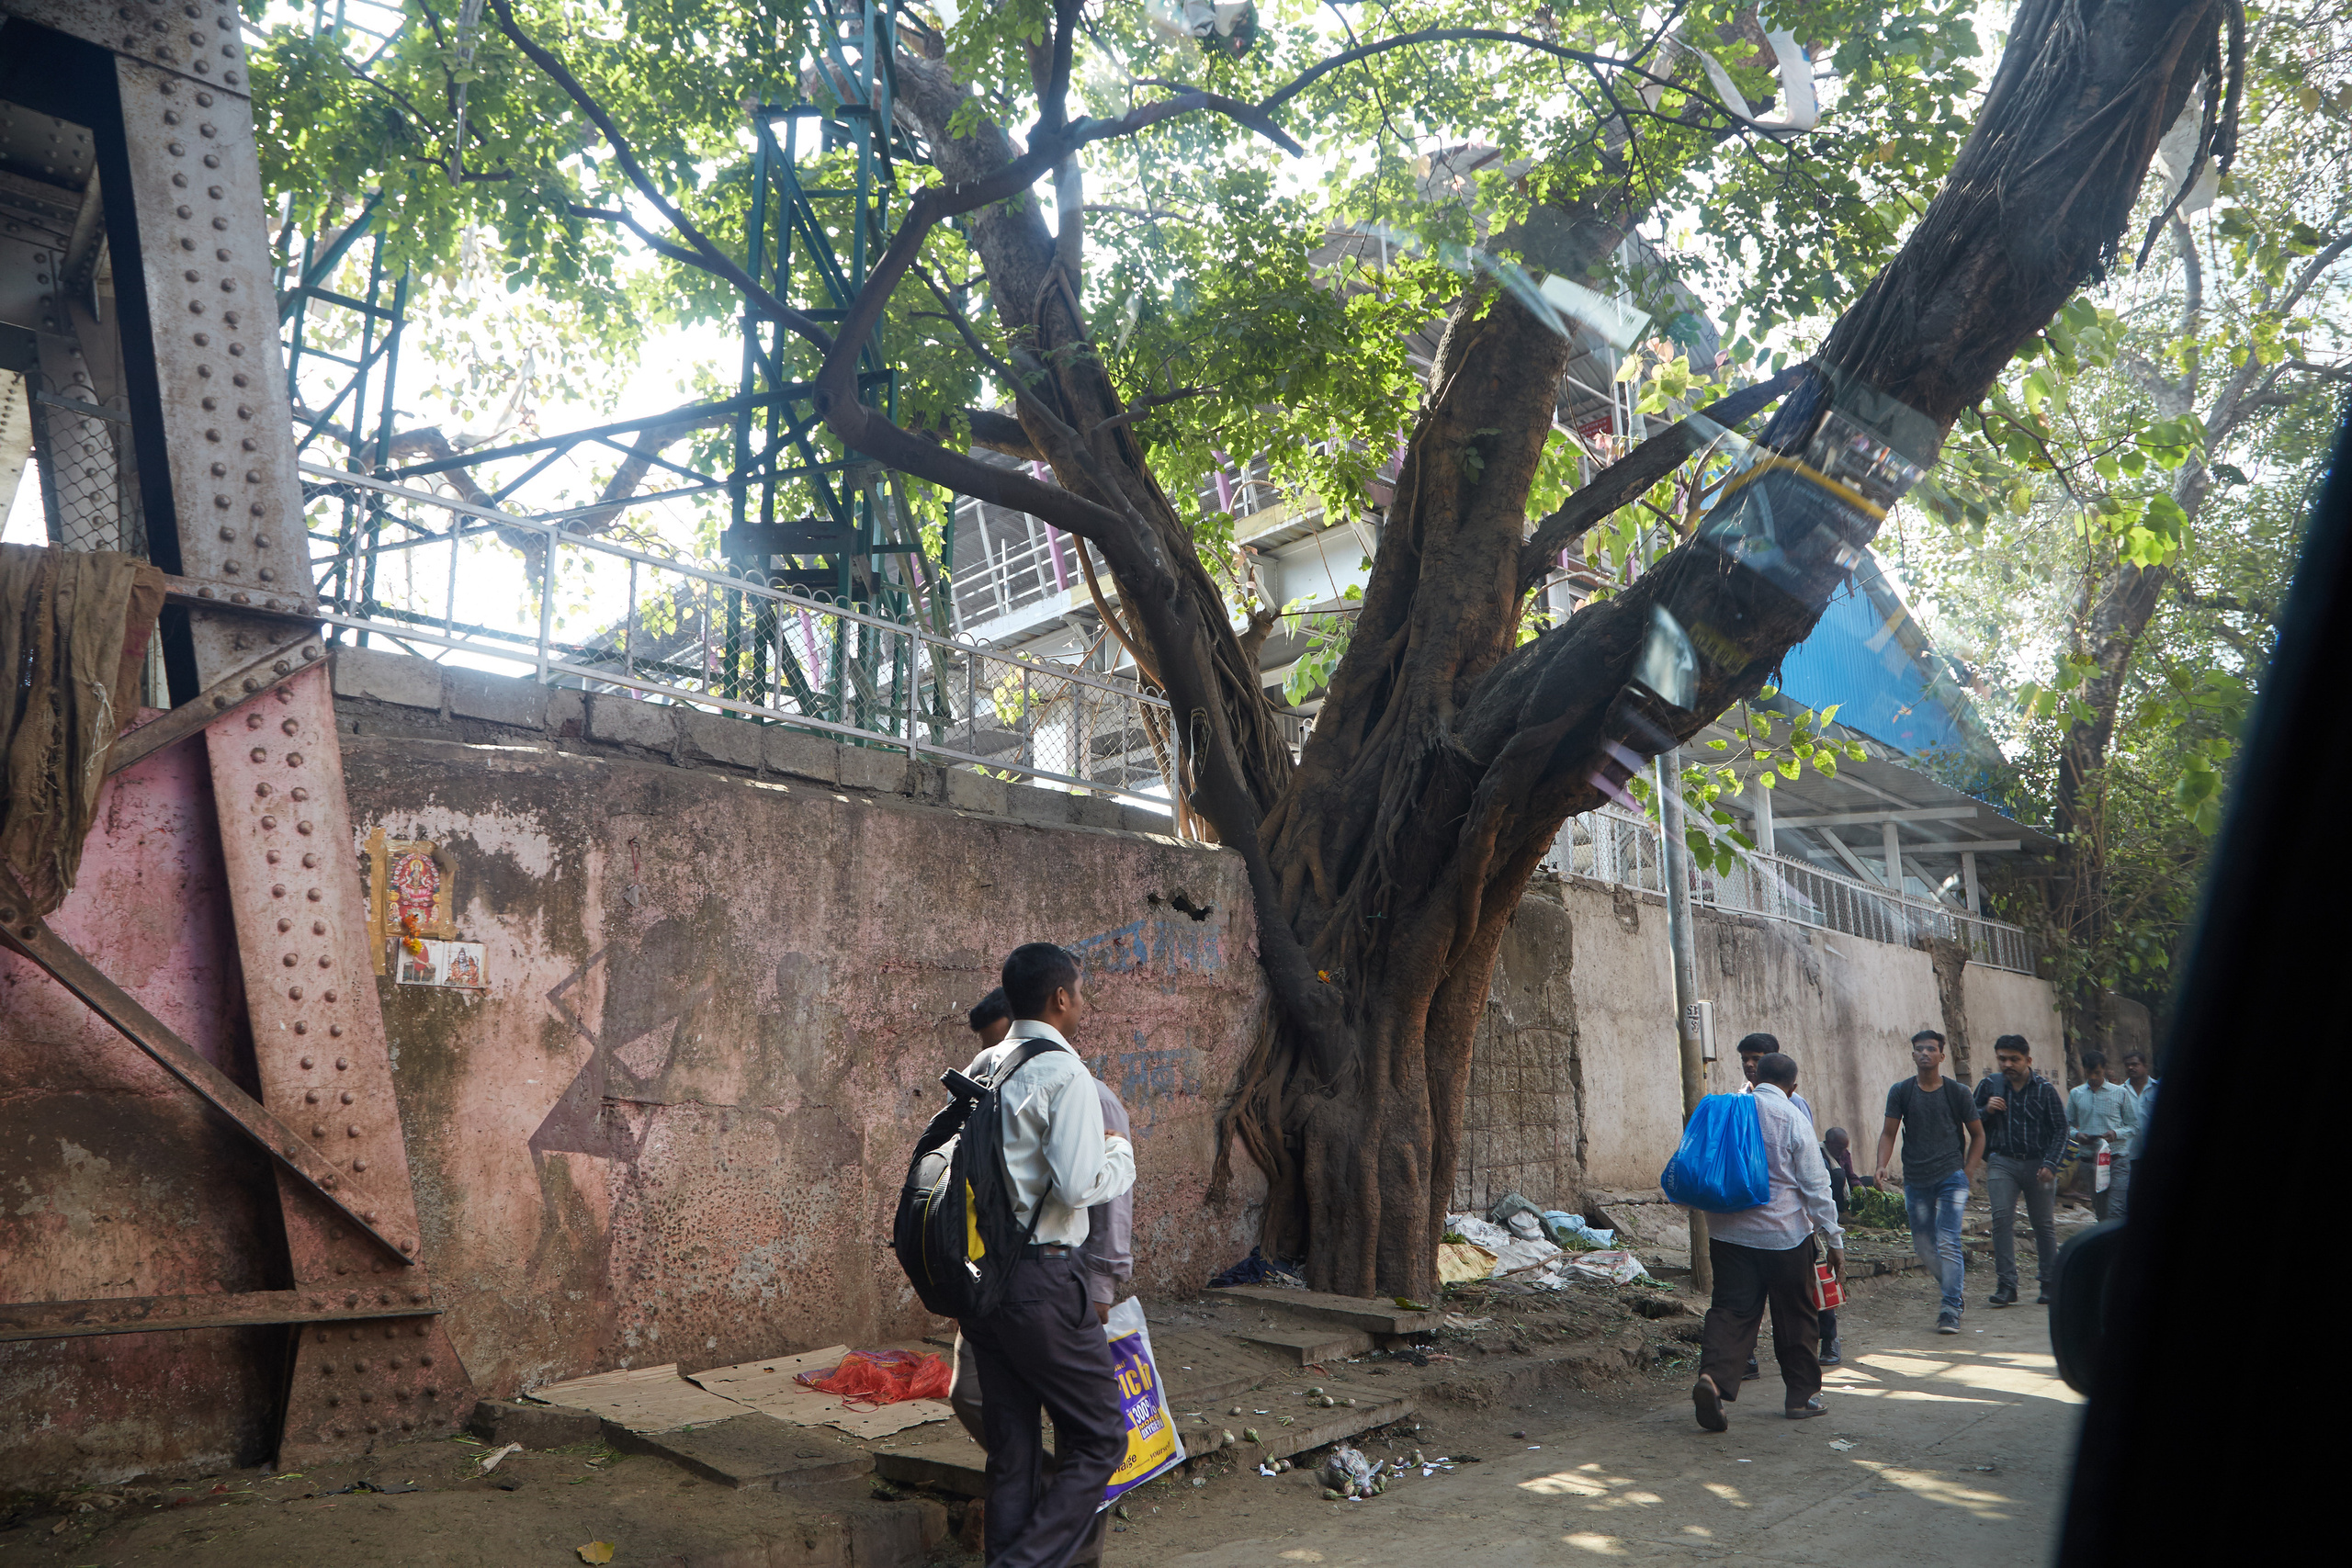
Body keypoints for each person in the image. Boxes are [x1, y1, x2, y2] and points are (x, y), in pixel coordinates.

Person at [952, 945, 1136, 1568]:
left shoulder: (983, 1064)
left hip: (983, 1285)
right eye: (1079, 992)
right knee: (1100, 1436)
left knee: (1014, 1456)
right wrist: (1120, 1157)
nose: (1081, 1003)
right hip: (1045, 1282)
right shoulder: (1065, 1073)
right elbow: (1077, 1185)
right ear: (1060, 998)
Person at [1691, 1053, 1845, 1432]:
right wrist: (1834, 1237)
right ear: (1793, 1086)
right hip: (1785, 1238)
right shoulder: (1792, 1116)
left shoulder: (1728, 1109)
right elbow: (1815, 1184)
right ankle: (1801, 1398)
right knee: (1795, 1315)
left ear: (1756, 1075)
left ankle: (1712, 1379)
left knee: (1730, 1311)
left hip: (1727, 1235)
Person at [1875, 1029, 1984, 1335]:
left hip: (1952, 1177)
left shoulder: (1957, 1093)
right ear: (1913, 1055)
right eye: (1919, 1049)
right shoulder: (1901, 1091)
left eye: (1931, 1049)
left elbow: (1978, 1135)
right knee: (1924, 1245)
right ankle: (1954, 1289)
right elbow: (1888, 1133)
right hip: (1916, 1179)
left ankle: (1950, 1307)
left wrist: (1968, 1172)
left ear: (1941, 1056)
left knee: (1948, 1239)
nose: (1924, 1053)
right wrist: (1881, 1165)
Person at [1973, 1034, 2066, 1307]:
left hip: (2040, 1163)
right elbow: (1969, 1118)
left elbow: (2061, 1128)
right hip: (2002, 1161)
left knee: (2044, 1224)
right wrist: (1986, 1110)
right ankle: (2006, 1285)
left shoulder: (2045, 1089)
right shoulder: (1990, 1085)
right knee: (2001, 1221)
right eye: (2002, 1058)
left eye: (2014, 1059)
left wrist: (2051, 1164)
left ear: (2028, 1060)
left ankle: (2049, 1282)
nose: (2007, 1064)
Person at [2066, 1051, 2138, 1222]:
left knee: (2116, 1209)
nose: (2093, 1077)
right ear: (2083, 1070)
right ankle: (2106, 1244)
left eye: (2097, 1073)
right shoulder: (2076, 1094)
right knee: (2101, 1209)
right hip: (2089, 1161)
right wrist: (2077, 1135)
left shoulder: (2120, 1092)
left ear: (2104, 1069)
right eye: (2089, 1073)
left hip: (2116, 1159)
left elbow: (2133, 1126)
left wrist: (2115, 1133)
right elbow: (2065, 1126)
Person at [2112, 1050, 2156, 1222]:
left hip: (2152, 1156)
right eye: (2127, 1065)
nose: (2131, 1067)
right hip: (2127, 1156)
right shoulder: (2119, 1092)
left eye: (2135, 1064)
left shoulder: (2158, 1089)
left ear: (2145, 1066)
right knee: (2129, 1200)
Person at [1736, 1032, 1813, 1123]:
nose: (1748, 1064)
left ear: (1773, 1060)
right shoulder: (1739, 1100)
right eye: (1745, 1060)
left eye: (1756, 1059)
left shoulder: (1794, 1102)